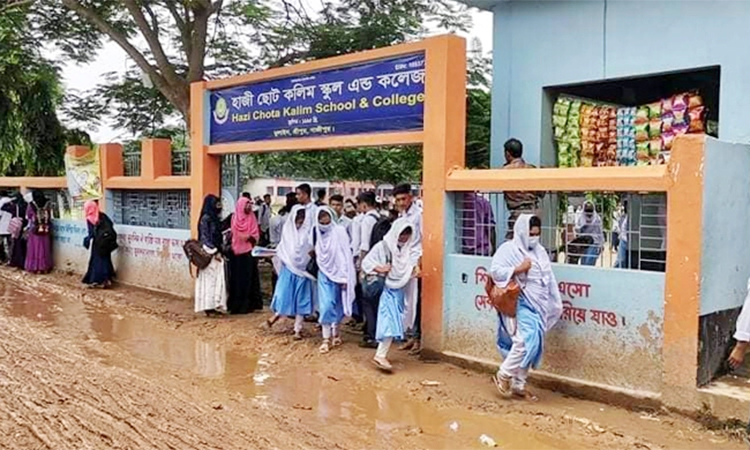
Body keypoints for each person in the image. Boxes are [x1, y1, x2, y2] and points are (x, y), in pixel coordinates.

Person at [490, 214, 562, 400]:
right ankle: (504, 374)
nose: (533, 237)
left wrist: (555, 302)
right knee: (524, 342)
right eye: (530, 233)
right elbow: (495, 271)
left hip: (539, 305)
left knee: (533, 344)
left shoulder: (540, 252)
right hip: (520, 302)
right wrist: (518, 269)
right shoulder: (508, 249)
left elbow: (548, 278)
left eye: (537, 234)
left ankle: (519, 384)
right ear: (521, 231)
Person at [361, 219, 418, 371]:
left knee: (392, 322)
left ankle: (381, 354)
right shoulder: (383, 247)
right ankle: (380, 355)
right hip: (387, 290)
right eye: (402, 233)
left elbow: (409, 268)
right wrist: (379, 268)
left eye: (407, 234)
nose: (404, 237)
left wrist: (413, 271)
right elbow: (366, 263)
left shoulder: (407, 250)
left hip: (399, 291)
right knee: (389, 322)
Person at [267, 205, 314, 340]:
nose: (300, 223)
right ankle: (276, 316)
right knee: (283, 296)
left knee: (301, 300)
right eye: (298, 220)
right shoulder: (287, 233)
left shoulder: (308, 233)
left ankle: (297, 329)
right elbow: (281, 252)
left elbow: (310, 249)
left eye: (302, 220)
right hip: (288, 270)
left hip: (303, 272)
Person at [314, 206, 356, 354]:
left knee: (338, 304)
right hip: (324, 273)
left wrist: (345, 276)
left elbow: (345, 254)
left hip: (340, 274)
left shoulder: (339, 231)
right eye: (321, 217)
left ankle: (336, 332)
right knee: (326, 305)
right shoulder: (318, 235)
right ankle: (325, 339)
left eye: (326, 216)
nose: (324, 220)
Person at [393, 183, 423, 354]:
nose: (401, 202)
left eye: (403, 199)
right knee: (406, 302)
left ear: (410, 197)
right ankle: (410, 336)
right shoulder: (401, 215)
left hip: (414, 263)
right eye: (398, 200)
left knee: (414, 301)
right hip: (402, 263)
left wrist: (419, 264)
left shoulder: (419, 215)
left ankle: (417, 338)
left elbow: (423, 241)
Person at [227, 197, 263, 314]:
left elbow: (255, 235)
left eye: (250, 204)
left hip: (248, 252)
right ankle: (235, 305)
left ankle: (248, 305)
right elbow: (233, 232)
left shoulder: (252, 217)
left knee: (248, 279)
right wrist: (241, 236)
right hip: (235, 253)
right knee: (236, 279)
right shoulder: (234, 217)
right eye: (246, 204)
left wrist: (249, 237)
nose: (249, 207)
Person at [502, 138, 542, 239]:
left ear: (507, 154)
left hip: (517, 213)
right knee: (531, 241)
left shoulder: (505, 171)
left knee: (513, 244)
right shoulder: (532, 169)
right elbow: (541, 192)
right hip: (534, 211)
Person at [194, 194, 227, 317]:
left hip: (216, 254)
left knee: (216, 281)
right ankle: (208, 308)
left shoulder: (214, 218)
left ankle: (213, 306)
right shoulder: (206, 219)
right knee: (209, 281)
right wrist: (214, 251)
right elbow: (205, 238)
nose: (219, 206)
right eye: (216, 204)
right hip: (209, 255)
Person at [357, 191, 382, 347]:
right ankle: (377, 332)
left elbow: (364, 245)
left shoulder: (367, 220)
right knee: (377, 301)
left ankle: (371, 335)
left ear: (364, 204)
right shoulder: (380, 218)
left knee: (367, 301)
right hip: (381, 264)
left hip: (370, 265)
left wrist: (362, 267)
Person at [82, 200, 116, 288]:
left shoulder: (90, 219)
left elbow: (91, 233)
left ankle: (97, 280)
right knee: (106, 260)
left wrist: (87, 240)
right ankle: (107, 279)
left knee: (97, 261)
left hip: (98, 243)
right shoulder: (103, 216)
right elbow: (111, 225)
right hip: (106, 243)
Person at [25, 191, 53, 274]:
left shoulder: (31, 205)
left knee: (34, 248)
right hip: (46, 229)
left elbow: (28, 216)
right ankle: (44, 267)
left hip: (35, 229)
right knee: (44, 248)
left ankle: (35, 267)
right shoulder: (47, 204)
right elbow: (49, 216)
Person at [461, 192, 496, 256]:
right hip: (482, 248)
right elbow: (490, 227)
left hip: (463, 248)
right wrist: (494, 248)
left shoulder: (457, 202)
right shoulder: (483, 202)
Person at [573, 200, 604, 266]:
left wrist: (601, 244)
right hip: (584, 242)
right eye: (587, 210)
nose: (589, 213)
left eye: (590, 210)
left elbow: (600, 232)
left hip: (594, 242)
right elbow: (577, 229)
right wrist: (583, 226)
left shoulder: (597, 219)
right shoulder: (581, 218)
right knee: (583, 262)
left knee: (589, 262)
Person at [5, 192, 27, 269]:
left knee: (16, 246)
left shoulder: (15, 206)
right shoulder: (26, 205)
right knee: (23, 246)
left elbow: (5, 209)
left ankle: (17, 262)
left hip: (17, 228)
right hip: (24, 228)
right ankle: (23, 262)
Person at [614, 201, 629, 269]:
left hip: (626, 240)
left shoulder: (628, 217)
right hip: (623, 240)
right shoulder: (625, 216)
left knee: (621, 260)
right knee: (620, 260)